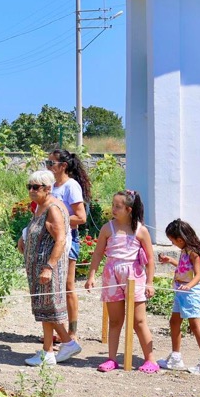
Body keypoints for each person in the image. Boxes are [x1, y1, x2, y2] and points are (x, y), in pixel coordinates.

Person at [85, 189, 157, 373]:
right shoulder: (107, 228)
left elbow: (150, 259)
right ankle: (111, 359)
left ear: (129, 209)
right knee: (115, 320)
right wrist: (91, 275)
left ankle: (150, 359)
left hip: (134, 276)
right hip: (111, 276)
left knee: (138, 321)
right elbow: (98, 253)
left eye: (118, 206)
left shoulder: (141, 230)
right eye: (113, 205)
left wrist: (149, 282)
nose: (113, 209)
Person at [21, 170, 82, 366]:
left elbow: (61, 239)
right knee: (44, 310)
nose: (31, 190)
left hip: (47, 268)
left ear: (48, 189)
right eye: (29, 186)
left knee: (49, 309)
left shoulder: (53, 208)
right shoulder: (41, 206)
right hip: (37, 268)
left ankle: (59, 346)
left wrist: (49, 267)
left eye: (35, 187)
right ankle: (54, 348)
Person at [158, 219, 200, 375]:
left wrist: (188, 286)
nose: (173, 244)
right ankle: (176, 357)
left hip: (190, 294)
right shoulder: (184, 250)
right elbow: (184, 269)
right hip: (180, 292)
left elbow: (198, 276)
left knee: (195, 327)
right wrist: (170, 260)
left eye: (172, 241)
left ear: (181, 239)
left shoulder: (194, 253)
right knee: (174, 321)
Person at [47, 149, 92, 343]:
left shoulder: (70, 186)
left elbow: (81, 217)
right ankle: (56, 329)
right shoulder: (51, 186)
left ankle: (71, 331)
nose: (48, 167)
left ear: (63, 166)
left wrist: (59, 222)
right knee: (51, 286)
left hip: (67, 239)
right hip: (51, 240)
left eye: (51, 163)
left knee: (67, 285)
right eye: (47, 163)